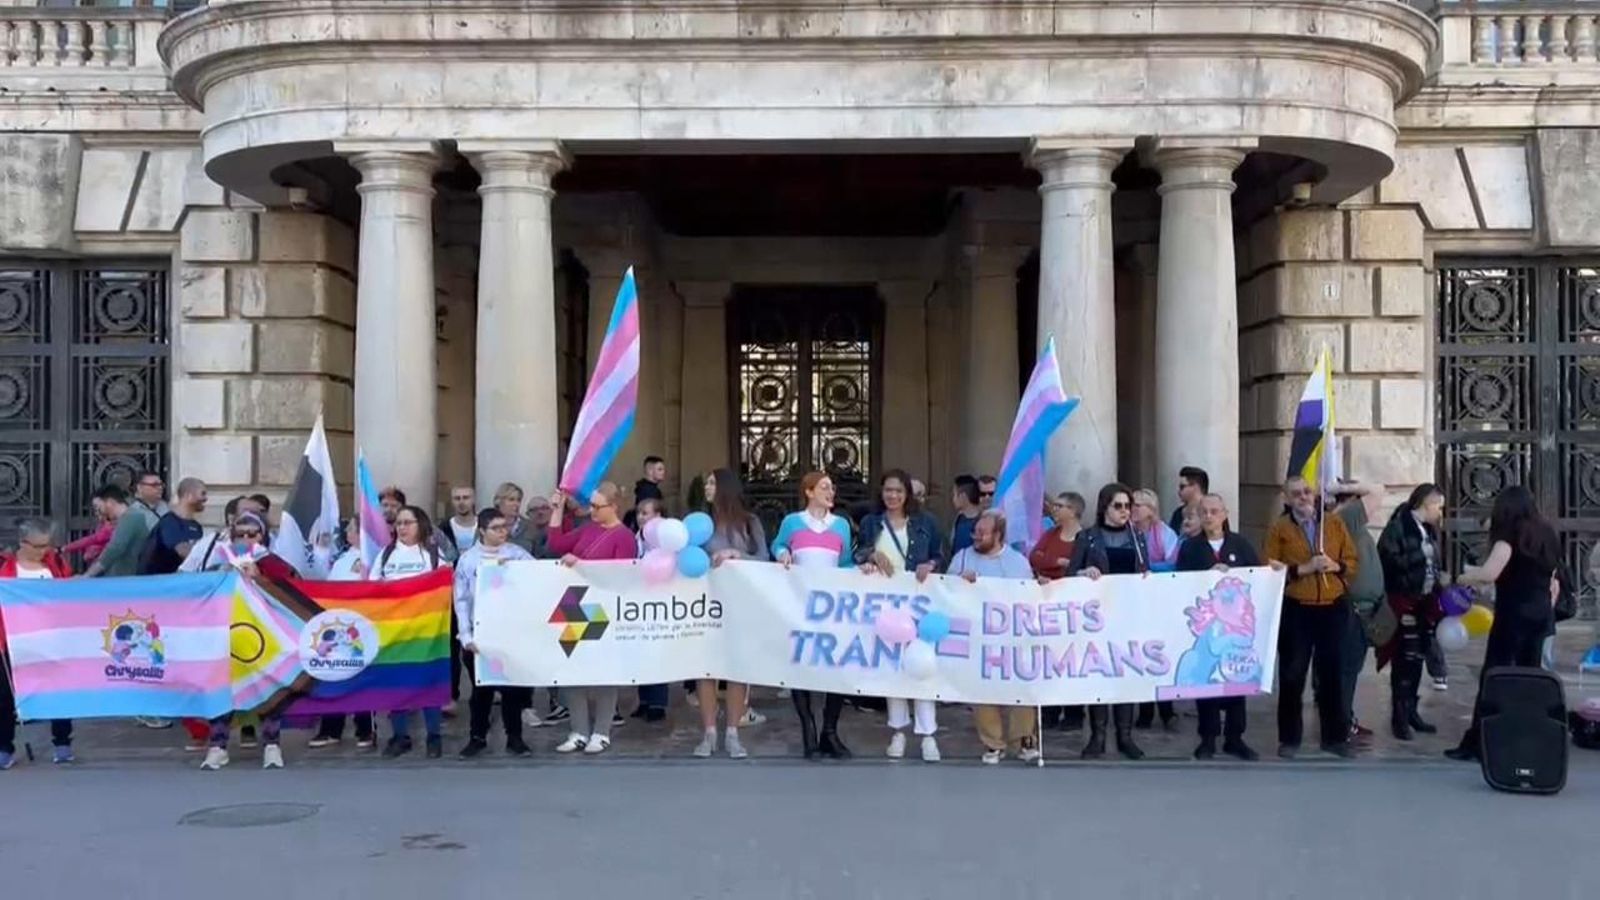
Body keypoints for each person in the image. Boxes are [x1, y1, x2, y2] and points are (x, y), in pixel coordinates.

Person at [1446, 486, 1562, 762]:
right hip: (1540, 616)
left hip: (1513, 617)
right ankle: (1526, 739)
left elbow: (1490, 573)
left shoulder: (1509, 535)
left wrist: (1463, 578)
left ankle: (1479, 742)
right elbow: (1554, 579)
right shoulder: (1548, 533)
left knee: (1494, 677)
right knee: (1530, 679)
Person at [1264, 475, 1360, 759]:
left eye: (1307, 492)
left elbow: (1352, 560)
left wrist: (1336, 566)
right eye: (1296, 494)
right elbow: (1269, 566)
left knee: (1333, 673)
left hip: (1332, 605)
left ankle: (1335, 737)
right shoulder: (1280, 528)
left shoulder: (1333, 523)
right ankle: (1290, 738)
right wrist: (1303, 569)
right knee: (1293, 674)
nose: (1303, 497)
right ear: (1287, 498)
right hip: (1298, 607)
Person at [855, 469, 945, 763]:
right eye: (887, 490)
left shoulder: (925, 523)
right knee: (891, 667)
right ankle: (898, 731)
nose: (892, 496)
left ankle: (928, 734)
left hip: (918, 604)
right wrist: (869, 557)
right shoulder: (871, 523)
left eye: (898, 491)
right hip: (885, 607)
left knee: (921, 665)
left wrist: (930, 564)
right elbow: (858, 553)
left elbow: (941, 554)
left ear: (908, 494)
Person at [197, 512, 296, 770]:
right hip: (226, 636)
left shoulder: (272, 562)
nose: (246, 538)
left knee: (268, 689)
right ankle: (218, 746)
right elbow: (199, 590)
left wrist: (261, 577)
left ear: (262, 535)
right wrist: (222, 576)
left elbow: (293, 592)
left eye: (252, 533)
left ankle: (272, 745)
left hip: (264, 637)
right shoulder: (218, 561)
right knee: (221, 689)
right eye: (240, 534)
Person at [547, 482, 637, 755]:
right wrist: (557, 510)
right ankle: (578, 730)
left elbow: (620, 576)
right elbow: (556, 543)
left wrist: (582, 566)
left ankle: (601, 731)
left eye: (599, 507)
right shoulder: (589, 528)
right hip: (577, 606)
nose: (593, 511)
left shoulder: (624, 537)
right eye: (592, 506)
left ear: (614, 507)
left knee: (603, 673)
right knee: (574, 670)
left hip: (604, 609)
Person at [772, 471, 856, 760]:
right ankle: (808, 726)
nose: (830, 492)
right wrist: (782, 552)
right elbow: (778, 544)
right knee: (801, 663)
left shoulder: (841, 525)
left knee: (836, 666)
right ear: (808, 492)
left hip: (832, 607)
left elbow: (845, 563)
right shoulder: (792, 522)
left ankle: (829, 731)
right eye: (824, 487)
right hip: (800, 603)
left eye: (832, 487)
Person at [1176, 494, 1264, 761]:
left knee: (1237, 678)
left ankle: (1235, 738)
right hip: (1207, 628)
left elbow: (1256, 578)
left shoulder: (1241, 544)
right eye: (1204, 512)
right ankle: (1208, 738)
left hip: (1236, 630)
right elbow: (1180, 582)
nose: (1209, 516)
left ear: (1225, 514)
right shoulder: (1191, 548)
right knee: (1207, 681)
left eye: (1215, 511)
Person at [950, 510, 1042, 764]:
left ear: (998, 535)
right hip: (978, 637)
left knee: (1021, 688)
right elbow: (946, 591)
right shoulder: (962, 557)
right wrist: (959, 582)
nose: (976, 537)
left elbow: (1029, 595)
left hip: (1012, 637)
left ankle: (1024, 739)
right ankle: (993, 743)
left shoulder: (1017, 562)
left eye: (982, 533)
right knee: (983, 691)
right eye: (975, 532)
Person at [1067, 484, 1149, 760]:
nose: (1125, 511)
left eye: (1128, 506)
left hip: (1128, 616)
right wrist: (1083, 572)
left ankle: (1125, 736)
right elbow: (1069, 575)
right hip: (1097, 618)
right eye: (1118, 506)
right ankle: (1098, 735)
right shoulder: (1088, 537)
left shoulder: (1137, 537)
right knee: (1099, 676)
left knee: (1126, 675)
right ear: (1105, 508)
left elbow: (1144, 571)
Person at [693, 468, 770, 759]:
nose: (707, 487)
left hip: (741, 603)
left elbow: (764, 558)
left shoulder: (750, 524)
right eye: (706, 482)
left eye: (712, 482)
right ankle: (709, 733)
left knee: (737, 669)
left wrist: (737, 555)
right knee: (706, 668)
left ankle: (733, 733)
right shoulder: (700, 523)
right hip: (705, 604)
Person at [455, 507, 536, 759]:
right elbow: (461, 599)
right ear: (482, 530)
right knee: (481, 692)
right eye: (497, 528)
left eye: (505, 527)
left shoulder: (518, 554)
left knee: (512, 690)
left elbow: (540, 578)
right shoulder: (468, 559)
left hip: (509, 634)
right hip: (480, 636)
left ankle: (515, 738)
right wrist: (465, 636)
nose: (503, 532)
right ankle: (477, 737)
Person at [371, 505, 448, 759]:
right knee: (397, 684)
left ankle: (434, 736)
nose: (402, 528)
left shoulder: (433, 555)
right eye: (399, 523)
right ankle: (400, 736)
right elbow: (372, 589)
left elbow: (447, 588)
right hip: (393, 632)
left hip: (427, 632)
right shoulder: (385, 555)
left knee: (428, 683)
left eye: (408, 523)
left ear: (421, 525)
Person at [0, 517, 77, 768]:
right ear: (23, 543)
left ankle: (62, 743)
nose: (45, 551)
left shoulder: (55, 565)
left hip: (52, 640)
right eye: (39, 546)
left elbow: (70, 596)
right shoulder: (6, 571)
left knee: (59, 692)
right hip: (13, 643)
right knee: (5, 698)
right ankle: (4, 748)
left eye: (47, 545)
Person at [1376, 483, 1446, 742]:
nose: (1440, 512)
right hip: (1404, 602)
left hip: (1424, 604)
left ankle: (1412, 712)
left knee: (1417, 659)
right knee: (1404, 660)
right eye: (1438, 506)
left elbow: (1433, 563)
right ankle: (1399, 717)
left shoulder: (1428, 530)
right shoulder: (1398, 529)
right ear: (1425, 505)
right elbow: (1389, 563)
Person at [308, 517, 376, 749]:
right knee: (334, 677)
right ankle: (330, 729)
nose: (347, 531)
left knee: (359, 678)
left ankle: (365, 729)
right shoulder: (343, 557)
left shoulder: (372, 556)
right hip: (335, 626)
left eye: (351, 528)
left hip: (358, 627)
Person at [1332, 480, 1385, 742]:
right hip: (1351, 609)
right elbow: (1378, 490)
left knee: (1348, 668)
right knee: (1346, 670)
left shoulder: (1349, 522)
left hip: (1362, 609)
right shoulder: (1347, 517)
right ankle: (1341, 724)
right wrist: (1341, 485)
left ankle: (1344, 719)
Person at [1030, 491, 1086, 733]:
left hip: (1074, 607)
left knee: (1072, 659)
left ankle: (1074, 712)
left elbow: (1078, 565)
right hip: (1047, 604)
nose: (1055, 508)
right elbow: (1036, 557)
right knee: (1049, 658)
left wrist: (1058, 564)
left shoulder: (1085, 538)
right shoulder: (1050, 534)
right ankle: (1050, 711)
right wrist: (1059, 563)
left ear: (1073, 511)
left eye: (1060, 505)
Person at [631, 496, 670, 721]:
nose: (640, 517)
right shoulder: (638, 536)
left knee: (657, 649)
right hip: (639, 598)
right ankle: (644, 698)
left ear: (659, 516)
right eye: (639, 513)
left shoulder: (664, 537)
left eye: (646, 513)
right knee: (640, 649)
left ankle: (657, 702)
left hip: (659, 599)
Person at [83, 481, 157, 578]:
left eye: (98, 507)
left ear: (110, 502)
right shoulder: (126, 519)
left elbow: (114, 549)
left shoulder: (131, 518)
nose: (98, 513)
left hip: (125, 581)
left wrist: (87, 575)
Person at [139, 477, 207, 575]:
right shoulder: (169, 523)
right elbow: (183, 551)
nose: (206, 498)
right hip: (156, 584)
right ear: (189, 496)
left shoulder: (196, 527)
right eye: (202, 493)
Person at [1131, 489, 1181, 570]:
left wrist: (1150, 568)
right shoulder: (1126, 531)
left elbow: (1173, 563)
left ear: (1151, 510)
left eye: (1137, 505)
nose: (1132, 508)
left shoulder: (1165, 533)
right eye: (1130, 505)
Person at [62, 497, 115, 566]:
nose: (96, 511)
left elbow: (91, 540)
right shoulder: (102, 524)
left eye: (97, 507)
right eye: (94, 508)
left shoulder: (109, 527)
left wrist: (67, 548)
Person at [438, 485, 478, 564]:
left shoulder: (485, 525)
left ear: (474, 500)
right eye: (457, 498)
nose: (461, 502)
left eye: (466, 498)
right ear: (452, 501)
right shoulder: (443, 528)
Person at [1168, 467, 1209, 532]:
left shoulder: (1212, 512)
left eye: (1182, 487)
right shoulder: (1178, 514)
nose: (1179, 491)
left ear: (1195, 487)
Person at [949, 475, 982, 555]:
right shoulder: (959, 519)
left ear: (963, 497)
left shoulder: (981, 522)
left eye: (954, 495)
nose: (953, 499)